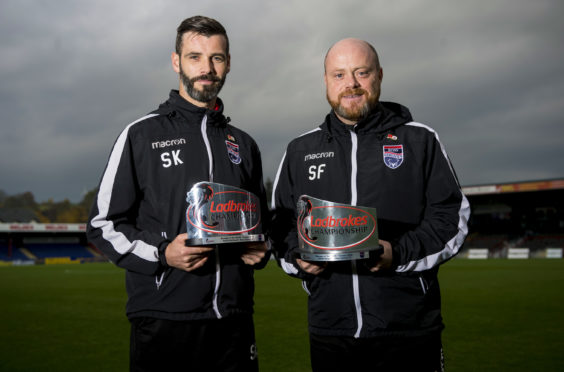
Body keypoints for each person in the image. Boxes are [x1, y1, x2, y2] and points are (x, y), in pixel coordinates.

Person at [271, 38, 470, 371]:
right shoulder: (299, 150)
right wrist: (298, 258)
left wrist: (399, 254)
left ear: (378, 75)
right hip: (331, 331)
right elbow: (279, 224)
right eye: (339, 75)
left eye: (361, 72)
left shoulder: (420, 140)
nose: (350, 83)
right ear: (326, 81)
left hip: (408, 329)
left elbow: (452, 218)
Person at [87, 16, 269, 372]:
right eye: (195, 56)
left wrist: (262, 250)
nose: (207, 68)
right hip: (164, 318)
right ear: (176, 62)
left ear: (228, 63)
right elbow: (102, 224)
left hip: (233, 318)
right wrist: (161, 252)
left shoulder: (244, 144)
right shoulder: (140, 135)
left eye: (216, 57)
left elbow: (259, 224)